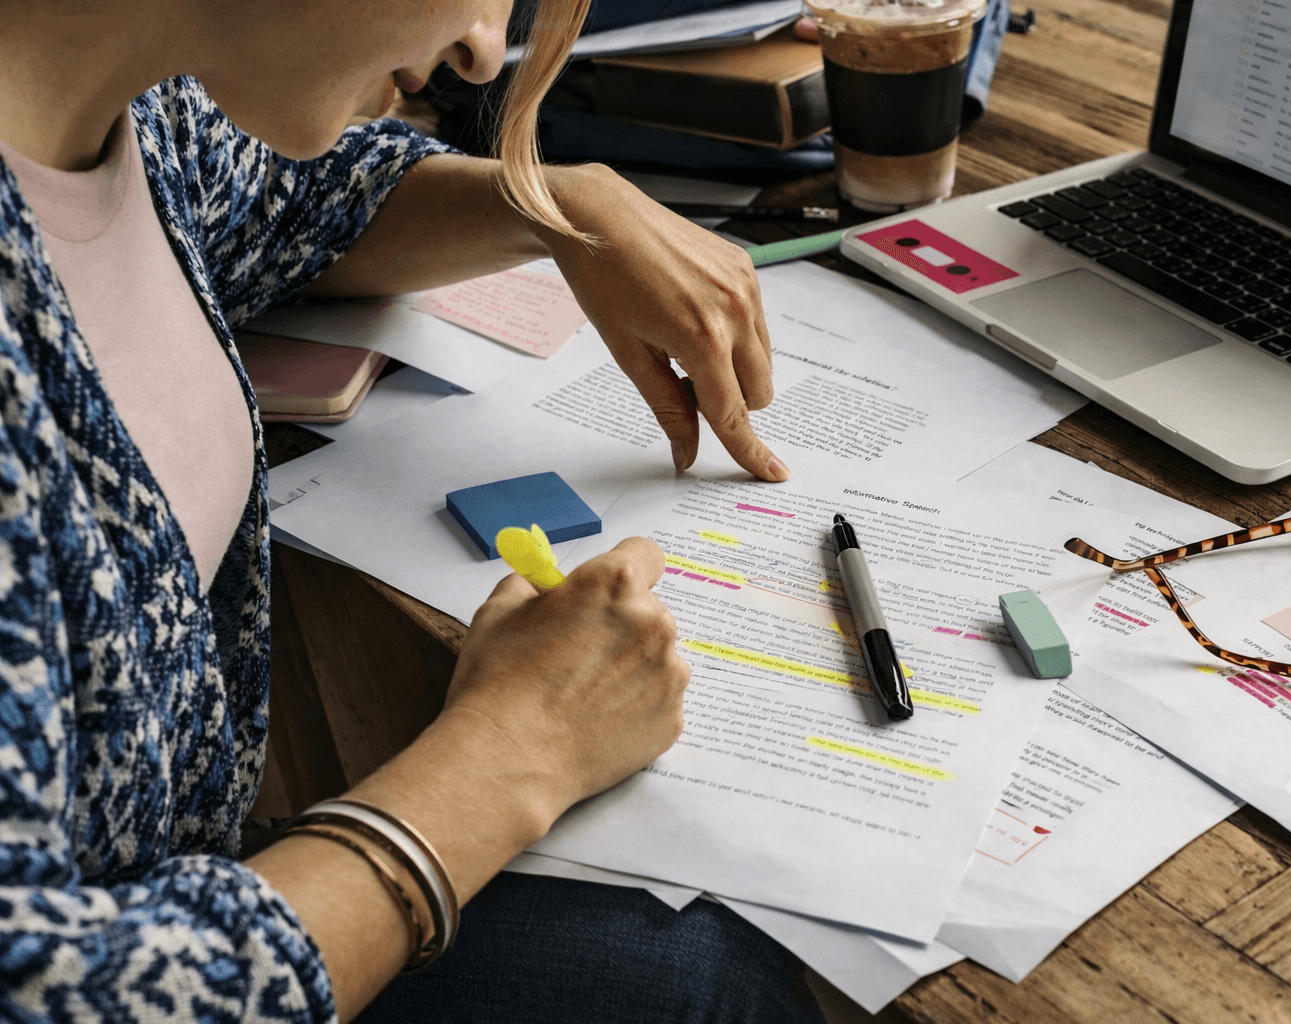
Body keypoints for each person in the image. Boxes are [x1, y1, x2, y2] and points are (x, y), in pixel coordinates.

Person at [0, 0, 826, 1020]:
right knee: (704, 978)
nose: (483, 51)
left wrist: (563, 209)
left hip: (177, 880)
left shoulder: (131, 106)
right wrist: (511, 753)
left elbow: (288, 203)